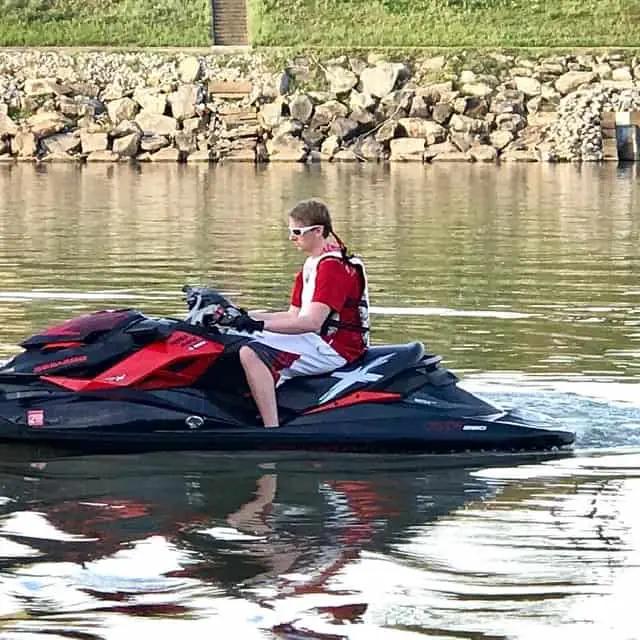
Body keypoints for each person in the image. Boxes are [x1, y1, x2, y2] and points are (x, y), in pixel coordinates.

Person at [228, 199, 369, 428]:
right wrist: (242, 316)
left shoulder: (332, 267)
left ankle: (270, 427)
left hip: (335, 347)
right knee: (237, 340)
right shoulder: (312, 265)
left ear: (318, 231)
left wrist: (259, 326)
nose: (291, 238)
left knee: (251, 352)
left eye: (297, 232)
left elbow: (312, 322)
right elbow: (293, 316)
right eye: (290, 231)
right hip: (315, 340)